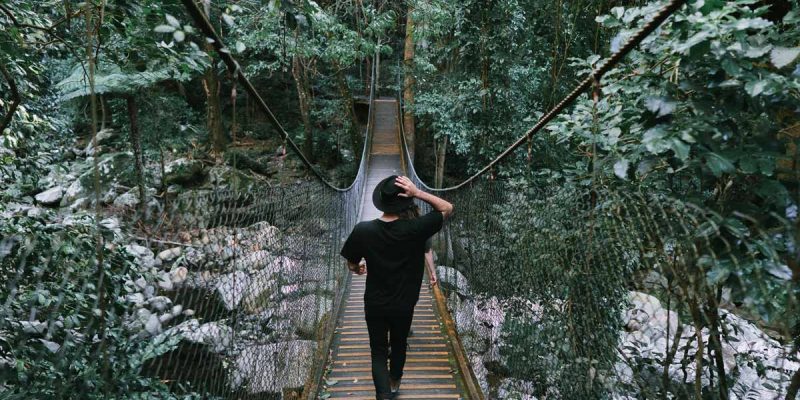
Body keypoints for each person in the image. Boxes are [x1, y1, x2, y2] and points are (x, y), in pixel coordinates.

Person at [340, 175, 453, 400]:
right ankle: (394, 382)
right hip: (404, 303)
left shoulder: (364, 230)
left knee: (378, 351)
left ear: (380, 200)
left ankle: (383, 395)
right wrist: (418, 192)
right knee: (399, 343)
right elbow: (447, 208)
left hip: (375, 303)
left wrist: (358, 268)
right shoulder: (417, 228)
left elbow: (352, 263)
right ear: (405, 201)